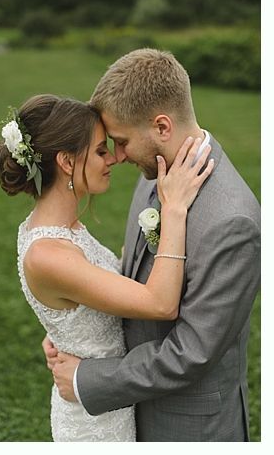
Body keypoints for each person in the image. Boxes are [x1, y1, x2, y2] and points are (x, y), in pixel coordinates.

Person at [45, 48, 261, 441]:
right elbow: (134, 276)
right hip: (132, 414)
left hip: (189, 428)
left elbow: (191, 353)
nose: (119, 156)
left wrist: (85, 378)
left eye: (123, 141)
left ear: (162, 126)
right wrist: (75, 329)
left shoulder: (233, 221)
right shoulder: (154, 171)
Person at [0, 93, 213, 441]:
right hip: (94, 425)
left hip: (107, 398)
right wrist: (173, 210)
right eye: (99, 150)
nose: (113, 158)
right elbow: (160, 303)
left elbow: (73, 301)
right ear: (66, 161)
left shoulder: (62, 228)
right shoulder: (48, 253)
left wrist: (61, 331)